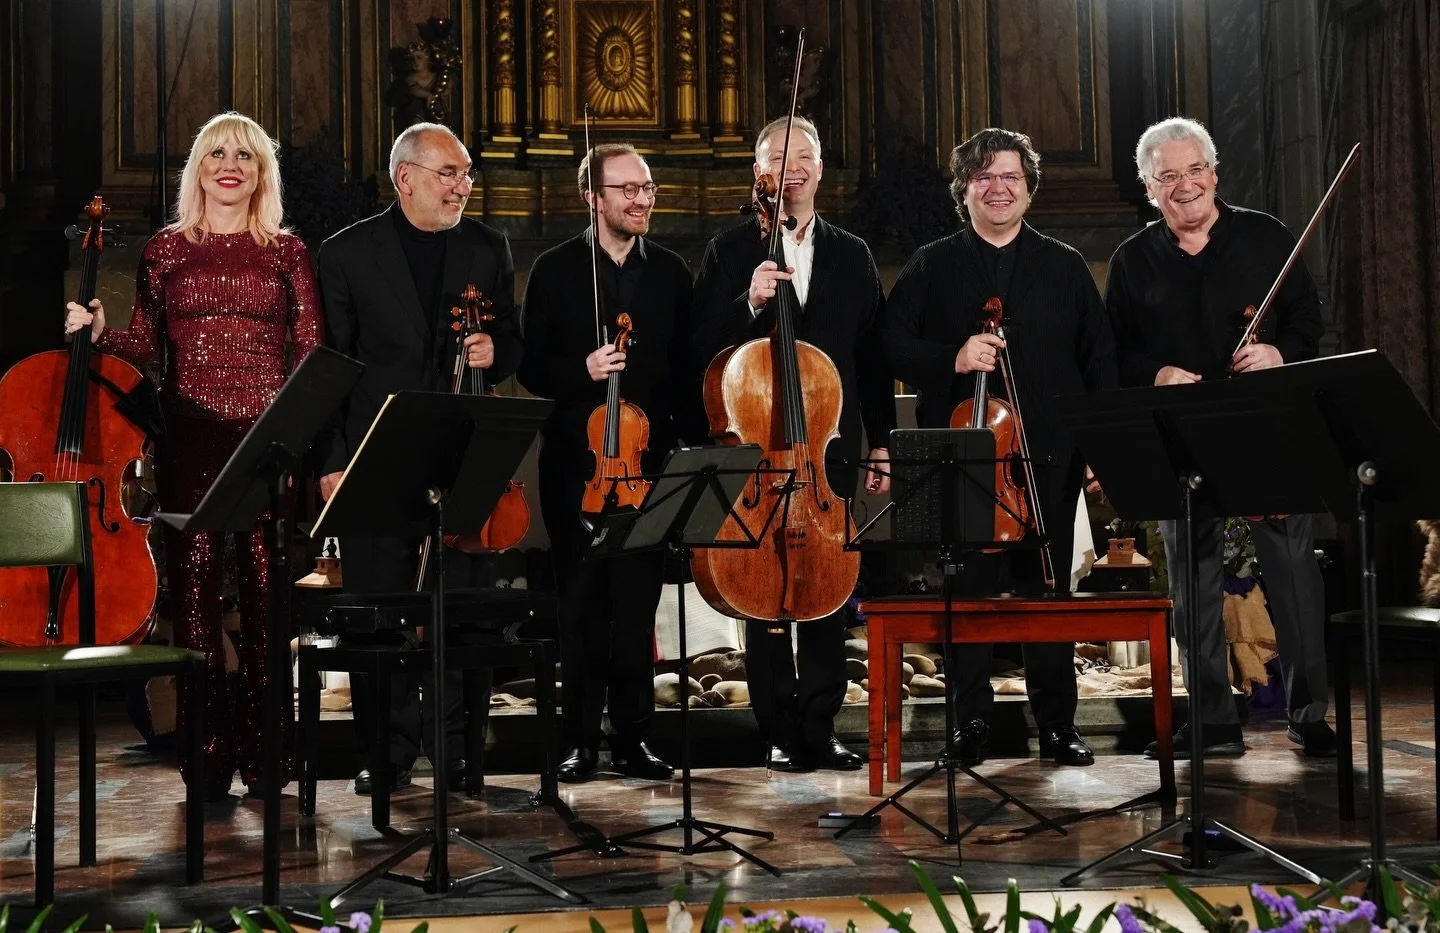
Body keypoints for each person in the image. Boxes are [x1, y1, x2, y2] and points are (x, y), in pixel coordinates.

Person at [64, 112, 322, 801]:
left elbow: (311, 353)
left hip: (267, 441)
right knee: (199, 603)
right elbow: (147, 343)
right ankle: (206, 760)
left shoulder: (287, 253)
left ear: (261, 171)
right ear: (198, 169)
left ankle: (271, 759)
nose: (230, 165)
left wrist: (297, 445)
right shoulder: (165, 251)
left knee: (270, 603)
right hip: (191, 435)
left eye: (244, 154)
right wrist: (100, 331)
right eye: (217, 155)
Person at [882, 127, 1117, 767]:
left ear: (1028, 187)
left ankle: (1058, 726)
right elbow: (889, 344)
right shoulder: (933, 264)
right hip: (962, 459)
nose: (998, 188)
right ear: (965, 192)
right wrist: (951, 358)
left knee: (1046, 598)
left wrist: (1099, 447)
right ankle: (970, 726)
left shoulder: (1065, 266)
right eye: (983, 178)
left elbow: (1100, 361)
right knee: (968, 598)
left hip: (1050, 456)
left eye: (1009, 176)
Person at [1106, 116, 1336, 758]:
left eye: (1194, 170)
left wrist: (1277, 354)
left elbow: (1308, 322)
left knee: (1293, 570)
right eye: (1168, 176)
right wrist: (1157, 372)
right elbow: (1114, 353)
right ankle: (1210, 720)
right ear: (1149, 188)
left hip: (1264, 424)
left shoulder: (1267, 238)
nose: (1185, 186)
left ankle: (1308, 713)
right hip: (1181, 433)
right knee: (1192, 576)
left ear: (1214, 173)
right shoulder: (1131, 261)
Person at [316, 122, 523, 793]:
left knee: (462, 607)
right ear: (406, 176)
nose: (463, 186)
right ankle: (387, 754)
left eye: (467, 175)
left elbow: (512, 344)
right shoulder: (346, 254)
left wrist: (496, 351)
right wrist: (333, 461)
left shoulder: (488, 248)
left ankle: (461, 754)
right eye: (449, 174)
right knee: (381, 611)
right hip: (378, 454)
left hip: (461, 457)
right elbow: (334, 369)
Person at [691, 115, 896, 773]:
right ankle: (778, 726)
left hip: (827, 446)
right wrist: (746, 300)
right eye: (778, 158)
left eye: (804, 156)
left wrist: (884, 441)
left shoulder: (851, 253)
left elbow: (872, 356)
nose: (793, 169)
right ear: (759, 172)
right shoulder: (729, 250)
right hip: (759, 446)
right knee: (764, 591)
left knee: (828, 591)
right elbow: (699, 347)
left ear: (819, 168)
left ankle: (823, 723)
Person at [517, 143, 699, 783]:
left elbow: (688, 368)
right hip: (577, 468)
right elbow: (529, 367)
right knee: (580, 610)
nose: (641, 198)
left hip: (650, 469)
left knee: (637, 607)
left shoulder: (673, 273)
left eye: (647, 187)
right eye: (627, 189)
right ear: (592, 198)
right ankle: (578, 742)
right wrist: (582, 371)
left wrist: (691, 447)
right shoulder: (555, 270)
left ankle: (634, 740)